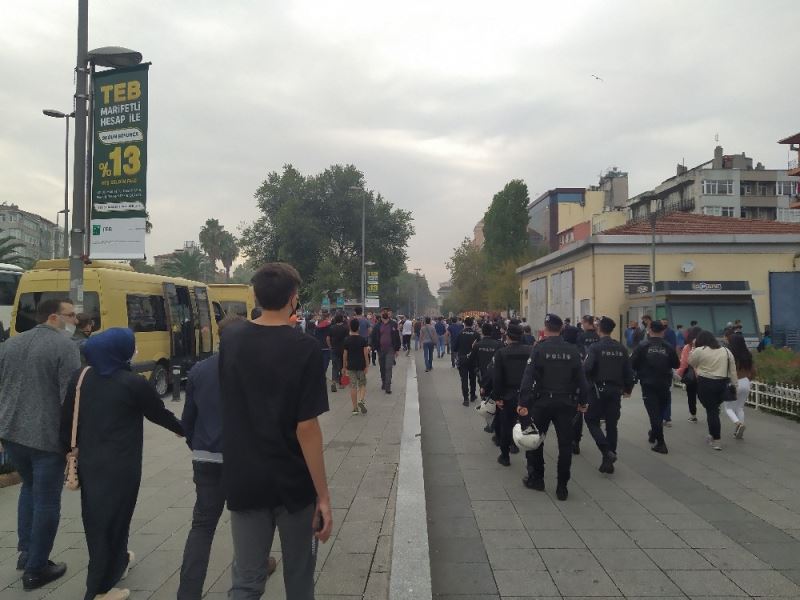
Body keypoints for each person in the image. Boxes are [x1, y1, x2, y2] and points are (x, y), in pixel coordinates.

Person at [219, 262, 332, 599]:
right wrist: (323, 496)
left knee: (247, 579)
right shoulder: (305, 348)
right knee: (299, 576)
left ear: (255, 295)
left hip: (244, 476)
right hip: (293, 482)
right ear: (293, 299)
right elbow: (307, 426)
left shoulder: (232, 340)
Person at [58, 328, 184, 600]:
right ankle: (99, 590)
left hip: (91, 463)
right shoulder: (132, 382)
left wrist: (67, 455)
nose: (134, 350)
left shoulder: (80, 377)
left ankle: (118, 562)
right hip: (121, 466)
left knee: (101, 518)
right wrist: (185, 430)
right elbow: (158, 414)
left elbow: (66, 421)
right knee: (109, 523)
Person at [178, 315, 276, 600]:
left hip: (206, 459)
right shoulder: (260, 371)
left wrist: (200, 447)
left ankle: (188, 592)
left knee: (202, 526)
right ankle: (256, 568)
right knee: (254, 520)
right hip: (246, 461)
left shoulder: (198, 370)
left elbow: (188, 421)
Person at [0, 298, 80, 590]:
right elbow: (70, 398)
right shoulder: (64, 347)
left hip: (11, 434)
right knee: (47, 500)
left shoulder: (10, 344)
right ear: (53, 318)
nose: (75, 321)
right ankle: (36, 569)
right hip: (46, 439)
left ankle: (26, 553)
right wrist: (74, 441)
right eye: (70, 315)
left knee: (29, 489)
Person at [517, 314, 589, 501]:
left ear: (545, 327)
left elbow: (528, 377)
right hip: (566, 404)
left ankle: (537, 478)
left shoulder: (539, 349)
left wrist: (523, 403)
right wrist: (583, 401)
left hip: (542, 402)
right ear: (562, 329)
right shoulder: (572, 350)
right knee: (565, 445)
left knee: (535, 440)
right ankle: (562, 486)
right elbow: (582, 379)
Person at [583, 317, 635, 474]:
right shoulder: (621, 348)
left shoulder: (595, 347)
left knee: (591, 419)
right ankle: (608, 461)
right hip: (615, 391)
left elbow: (587, 368)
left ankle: (606, 451)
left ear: (599, 330)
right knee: (612, 424)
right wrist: (628, 389)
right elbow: (629, 372)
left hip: (598, 390)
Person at [630, 319, 679, 454]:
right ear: (663, 331)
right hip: (664, 383)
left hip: (648, 383)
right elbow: (676, 364)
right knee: (660, 411)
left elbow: (632, 363)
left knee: (654, 413)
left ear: (649, 330)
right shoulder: (668, 346)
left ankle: (661, 443)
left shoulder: (642, 346)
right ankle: (653, 434)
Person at [491, 323, 533, 466]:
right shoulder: (531, 351)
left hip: (508, 394)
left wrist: (497, 397)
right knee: (527, 425)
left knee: (506, 425)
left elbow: (497, 378)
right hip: (526, 395)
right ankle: (529, 457)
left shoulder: (501, 353)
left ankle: (505, 455)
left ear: (507, 336)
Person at [689, 330, 737, 451]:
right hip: (722, 383)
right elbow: (733, 370)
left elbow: (691, 362)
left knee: (711, 411)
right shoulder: (726, 351)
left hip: (706, 383)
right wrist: (735, 385)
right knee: (713, 410)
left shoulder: (700, 350)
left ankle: (716, 440)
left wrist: (693, 348)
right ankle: (712, 435)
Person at [572, 315, 600, 455]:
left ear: (585, 323)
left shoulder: (581, 337)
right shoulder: (598, 336)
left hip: (584, 375)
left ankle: (576, 441)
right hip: (598, 377)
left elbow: (579, 355)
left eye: (582, 322)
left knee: (579, 410)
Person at [724, 332, 755, 439]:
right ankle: (738, 431)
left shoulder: (731, 355)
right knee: (740, 407)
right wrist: (748, 379)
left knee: (728, 408)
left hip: (734, 383)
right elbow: (754, 371)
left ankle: (738, 424)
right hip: (746, 382)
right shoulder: (748, 355)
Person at [343, 318, 370, 415]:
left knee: (353, 386)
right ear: (358, 328)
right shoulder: (362, 340)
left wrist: (344, 366)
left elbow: (345, 354)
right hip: (361, 365)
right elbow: (365, 353)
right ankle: (361, 400)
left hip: (350, 365)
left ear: (350, 327)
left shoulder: (347, 340)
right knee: (362, 384)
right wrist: (367, 365)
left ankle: (355, 409)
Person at [370, 308, 401, 394]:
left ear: (389, 314)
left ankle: (388, 386)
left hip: (390, 349)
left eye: (386, 312)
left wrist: (397, 349)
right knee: (382, 367)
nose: (385, 313)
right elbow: (373, 337)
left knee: (388, 367)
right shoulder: (377, 326)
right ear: (380, 314)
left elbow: (397, 337)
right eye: (383, 312)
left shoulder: (393, 324)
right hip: (380, 349)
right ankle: (384, 381)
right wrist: (372, 347)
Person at [676, 326, 702, 423]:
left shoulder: (688, 347)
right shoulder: (707, 346)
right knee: (704, 395)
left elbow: (683, 363)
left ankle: (693, 415)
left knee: (691, 396)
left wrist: (678, 375)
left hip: (692, 377)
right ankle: (712, 410)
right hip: (705, 375)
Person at [454, 316, 480, 406]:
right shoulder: (476, 334)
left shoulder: (460, 333)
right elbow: (479, 347)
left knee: (464, 379)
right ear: (472, 324)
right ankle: (473, 395)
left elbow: (455, 347)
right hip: (473, 360)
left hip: (463, 359)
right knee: (473, 378)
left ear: (464, 324)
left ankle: (466, 399)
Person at [328, 313, 349, 393]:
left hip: (334, 349)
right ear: (342, 319)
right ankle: (342, 384)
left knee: (334, 366)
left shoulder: (331, 328)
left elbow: (328, 338)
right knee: (343, 366)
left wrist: (330, 346)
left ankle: (333, 382)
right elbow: (347, 338)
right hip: (343, 350)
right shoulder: (345, 328)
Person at [313, 309, 332, 387]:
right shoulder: (328, 325)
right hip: (326, 347)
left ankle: (320, 376)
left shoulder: (317, 326)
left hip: (319, 346)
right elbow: (328, 337)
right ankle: (321, 377)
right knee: (325, 363)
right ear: (327, 317)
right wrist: (330, 346)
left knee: (320, 362)